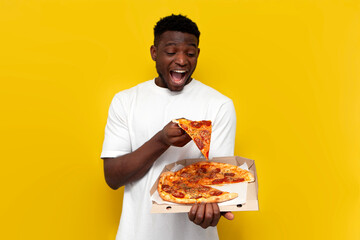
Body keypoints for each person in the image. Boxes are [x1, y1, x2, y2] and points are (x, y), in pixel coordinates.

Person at [101, 14, 237, 240]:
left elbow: (219, 179)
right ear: (154, 52)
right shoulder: (125, 101)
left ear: (198, 55)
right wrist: (161, 140)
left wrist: (215, 208)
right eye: (171, 52)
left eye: (190, 53)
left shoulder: (219, 105)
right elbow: (113, 177)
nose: (182, 60)